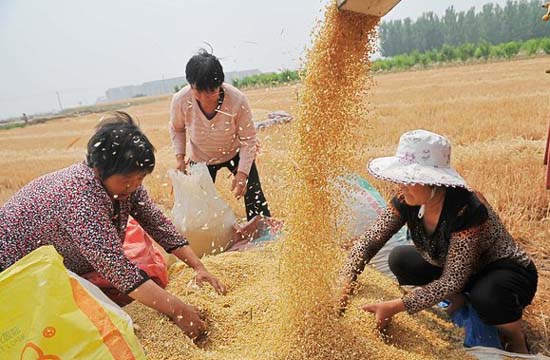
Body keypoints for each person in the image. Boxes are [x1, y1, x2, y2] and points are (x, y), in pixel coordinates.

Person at [0, 112, 225, 340]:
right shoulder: (80, 199)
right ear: (99, 169)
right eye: (128, 180)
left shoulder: (127, 185)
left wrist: (198, 267)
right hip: (12, 271)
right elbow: (121, 273)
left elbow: (157, 223)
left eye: (140, 179)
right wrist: (179, 310)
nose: (134, 186)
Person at [339, 129, 538, 354]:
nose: (401, 185)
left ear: (433, 182)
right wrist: (346, 280)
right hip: (456, 268)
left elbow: (453, 279)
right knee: (401, 259)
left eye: (410, 179)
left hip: (502, 271)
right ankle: (461, 299)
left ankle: (516, 338)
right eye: (401, 178)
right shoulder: (406, 199)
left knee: (488, 296)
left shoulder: (467, 209)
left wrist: (395, 307)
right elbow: (370, 240)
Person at [169, 49, 271, 221]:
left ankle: (263, 235)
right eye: (198, 91)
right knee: (199, 207)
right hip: (200, 157)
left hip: (235, 152)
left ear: (220, 84)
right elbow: (177, 128)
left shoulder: (237, 99)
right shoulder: (181, 100)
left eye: (210, 92)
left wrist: (243, 174)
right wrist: (180, 158)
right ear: (190, 86)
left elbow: (248, 140)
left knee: (254, 195)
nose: (204, 98)